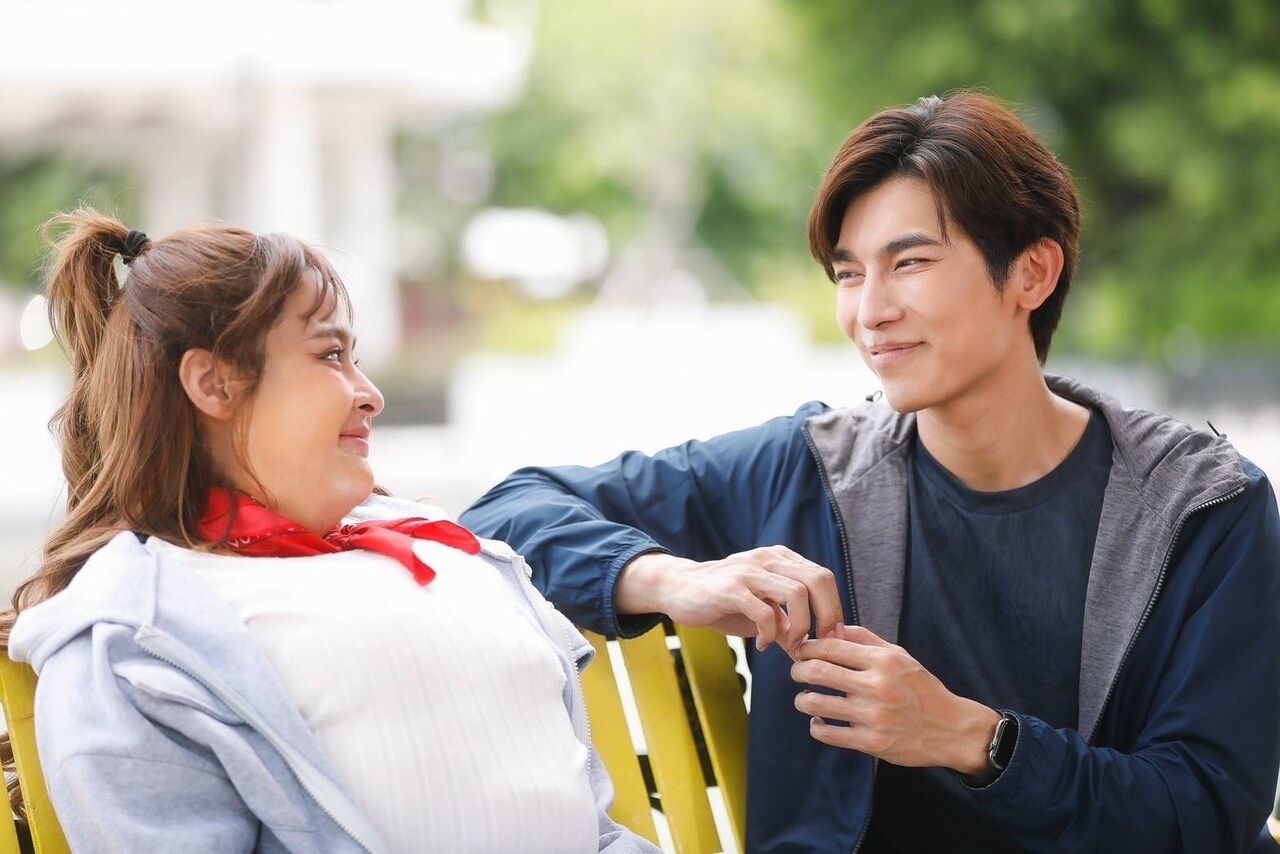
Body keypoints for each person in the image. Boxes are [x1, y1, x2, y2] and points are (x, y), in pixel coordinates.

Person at [461, 92, 1280, 852]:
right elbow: (503, 514)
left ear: (1032, 272)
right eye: (849, 274)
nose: (870, 311)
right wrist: (672, 579)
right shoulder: (807, 470)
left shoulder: (1201, 506)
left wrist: (971, 739)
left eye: (909, 263)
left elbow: (1207, 809)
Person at [0, 211, 658, 854]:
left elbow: (592, 826)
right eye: (332, 354)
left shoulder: (454, 556)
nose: (371, 395)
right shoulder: (133, 637)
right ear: (214, 383)